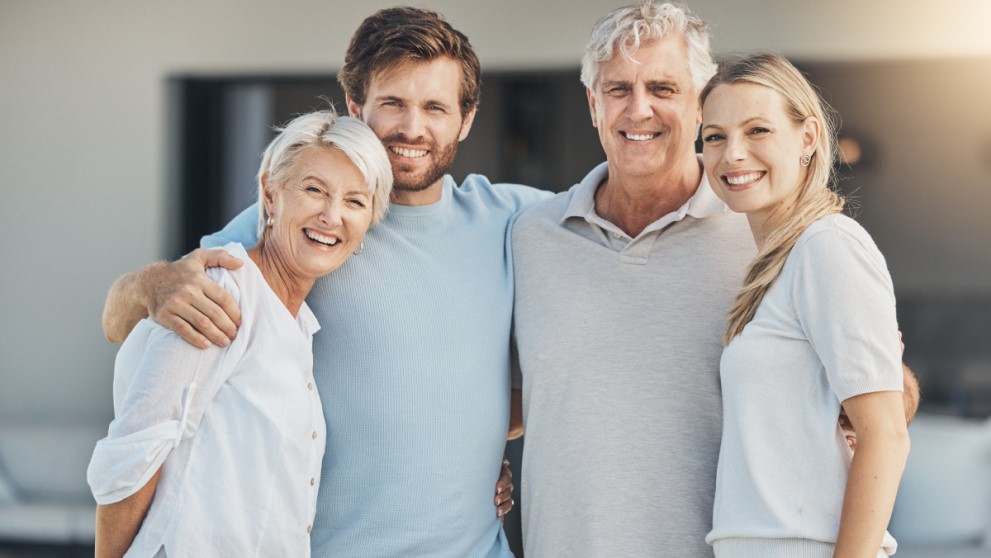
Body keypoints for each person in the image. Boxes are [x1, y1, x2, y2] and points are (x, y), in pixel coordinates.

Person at [99, 7, 547, 557]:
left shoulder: (514, 221)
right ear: (356, 107)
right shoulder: (308, 226)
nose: (413, 128)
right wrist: (149, 284)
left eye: (435, 107)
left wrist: (476, 451)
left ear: (466, 117)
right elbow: (127, 326)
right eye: (393, 104)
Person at [510, 3, 917, 557]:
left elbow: (873, 400)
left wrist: (892, 396)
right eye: (618, 89)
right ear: (592, 104)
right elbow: (510, 395)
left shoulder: (775, 237)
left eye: (662, 87)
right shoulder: (530, 236)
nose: (639, 109)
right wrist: (468, 473)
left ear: (697, 104)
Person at [88, 109, 393, 557]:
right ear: (271, 194)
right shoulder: (224, 291)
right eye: (314, 190)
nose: (331, 215)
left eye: (354, 201)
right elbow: (132, 459)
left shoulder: (298, 324)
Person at [699, 52, 910, 557]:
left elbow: (885, 435)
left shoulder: (827, 246)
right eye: (714, 137)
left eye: (757, 131)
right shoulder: (775, 265)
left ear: (808, 138)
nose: (733, 155)